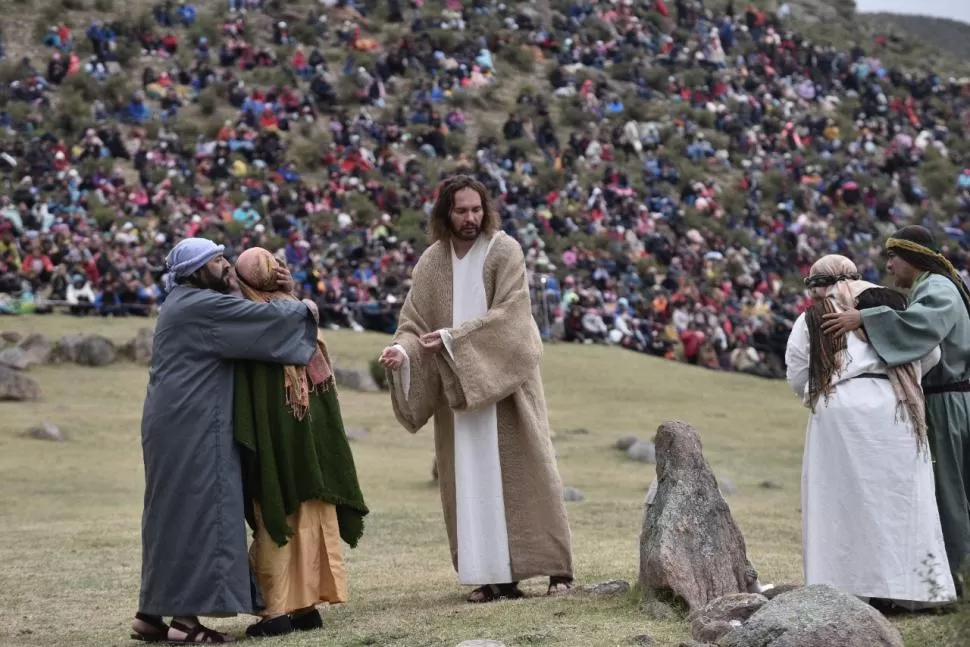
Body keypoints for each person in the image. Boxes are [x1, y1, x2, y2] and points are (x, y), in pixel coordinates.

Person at [377, 175, 575, 603]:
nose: (470, 218)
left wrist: (453, 341)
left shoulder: (504, 250)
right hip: (458, 395)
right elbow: (414, 324)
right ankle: (491, 577)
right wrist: (402, 352)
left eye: (476, 209)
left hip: (504, 386)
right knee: (469, 483)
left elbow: (513, 316)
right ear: (445, 213)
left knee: (531, 471)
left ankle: (556, 568)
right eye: (461, 210)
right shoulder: (432, 263)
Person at [131, 238, 321, 644]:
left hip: (175, 422)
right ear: (196, 271)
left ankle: (150, 614)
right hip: (195, 425)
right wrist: (299, 304)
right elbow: (272, 323)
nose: (226, 265)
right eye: (217, 261)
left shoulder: (183, 303)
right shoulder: (203, 306)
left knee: (170, 517)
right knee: (203, 516)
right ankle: (185, 624)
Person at [786, 254, 955, 609]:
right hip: (895, 403)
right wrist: (904, 375)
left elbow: (798, 371)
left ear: (821, 282)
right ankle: (910, 592)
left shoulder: (815, 316)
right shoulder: (894, 305)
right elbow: (931, 354)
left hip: (841, 405)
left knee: (840, 500)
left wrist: (820, 391)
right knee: (900, 500)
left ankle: (845, 591)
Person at [231, 247, 369, 638]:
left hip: (277, 440)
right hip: (309, 439)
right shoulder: (301, 313)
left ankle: (276, 612)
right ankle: (308, 606)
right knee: (310, 512)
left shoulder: (251, 321)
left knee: (276, 512)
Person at [823, 226, 970, 592]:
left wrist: (865, 319)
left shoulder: (938, 287)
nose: (889, 266)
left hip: (946, 401)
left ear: (914, 257)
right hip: (949, 398)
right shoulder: (935, 286)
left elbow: (921, 327)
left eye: (894, 257)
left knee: (948, 491)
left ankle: (952, 577)